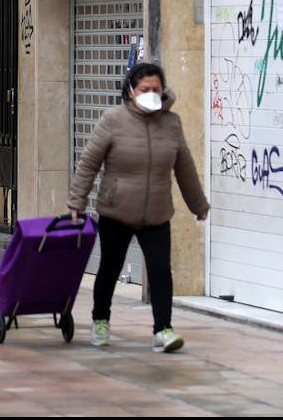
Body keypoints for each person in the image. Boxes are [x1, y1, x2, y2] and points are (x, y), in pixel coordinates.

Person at [66, 62, 209, 353]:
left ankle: (163, 330)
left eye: (157, 89)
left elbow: (185, 168)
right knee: (109, 268)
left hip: (156, 212)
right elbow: (88, 164)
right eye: (146, 89)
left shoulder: (172, 123)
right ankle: (100, 320)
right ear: (131, 91)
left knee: (160, 271)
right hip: (116, 211)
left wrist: (198, 204)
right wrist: (76, 203)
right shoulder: (113, 120)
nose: (152, 94)